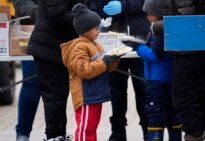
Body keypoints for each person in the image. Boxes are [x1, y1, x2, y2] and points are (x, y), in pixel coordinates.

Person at [86, 1, 150, 141]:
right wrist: (97, 20)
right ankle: (118, 130)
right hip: (112, 40)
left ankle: (148, 129)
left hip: (139, 38)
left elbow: (147, 2)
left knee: (143, 88)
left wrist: (124, 5)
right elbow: (93, 5)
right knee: (116, 91)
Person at [151, 1, 205, 140]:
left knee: (185, 96)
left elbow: (186, 20)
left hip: (188, 48)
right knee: (199, 94)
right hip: (200, 45)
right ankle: (198, 134)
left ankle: (194, 136)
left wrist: (156, 27)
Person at [123, 0, 182, 140]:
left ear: (160, 14)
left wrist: (138, 47)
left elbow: (154, 55)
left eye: (150, 14)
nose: (147, 17)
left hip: (157, 80)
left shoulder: (158, 30)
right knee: (172, 112)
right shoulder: (169, 28)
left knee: (155, 112)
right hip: (169, 78)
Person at [60, 3, 120, 141]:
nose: (99, 31)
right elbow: (84, 70)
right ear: (85, 30)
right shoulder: (79, 47)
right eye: (95, 28)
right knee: (85, 128)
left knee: (92, 127)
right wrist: (105, 61)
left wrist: (114, 59)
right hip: (85, 95)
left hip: (95, 94)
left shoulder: (95, 44)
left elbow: (106, 68)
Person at [26, 0, 85, 140]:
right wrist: (84, 25)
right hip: (49, 48)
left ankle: (60, 135)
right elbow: (57, 14)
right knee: (54, 97)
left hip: (57, 49)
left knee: (59, 96)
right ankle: (54, 136)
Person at [12, 0, 40, 141]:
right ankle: (22, 135)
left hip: (58, 26)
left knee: (59, 86)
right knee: (31, 83)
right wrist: (41, 13)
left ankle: (56, 134)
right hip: (29, 30)